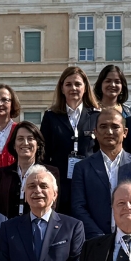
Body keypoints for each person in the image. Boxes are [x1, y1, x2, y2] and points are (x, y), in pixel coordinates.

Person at [71, 108, 131, 240]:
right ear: (95, 132)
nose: (109, 131)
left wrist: (128, 231)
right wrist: (98, 237)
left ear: (125, 132)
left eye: (115, 126)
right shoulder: (82, 168)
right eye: (103, 126)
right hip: (94, 241)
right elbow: (78, 207)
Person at [39, 66, 100, 212]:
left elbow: (100, 152)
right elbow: (44, 154)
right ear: (62, 88)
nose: (73, 88)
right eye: (68, 84)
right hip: (60, 186)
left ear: (85, 88)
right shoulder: (51, 117)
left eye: (78, 84)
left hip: (88, 184)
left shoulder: (96, 116)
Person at [0, 121, 44, 219]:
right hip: (6, 230)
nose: (25, 143)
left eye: (30, 138)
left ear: (38, 144)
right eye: (20, 139)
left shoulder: (49, 173)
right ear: (14, 144)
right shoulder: (1, 175)